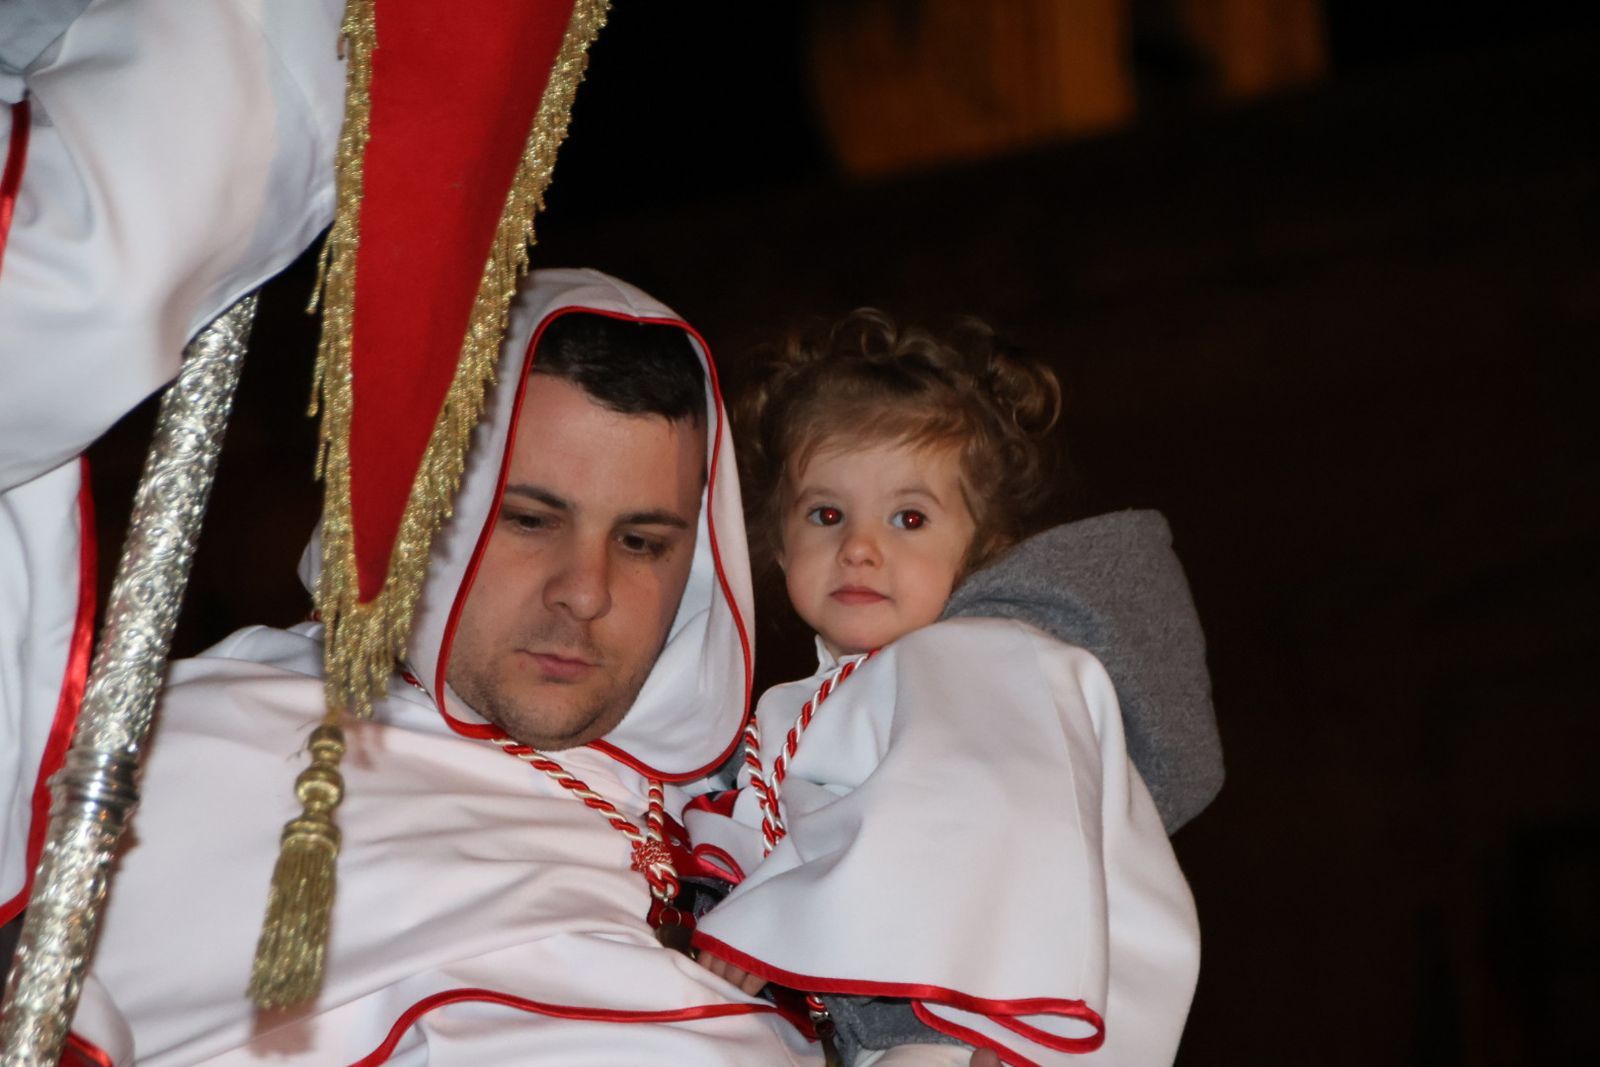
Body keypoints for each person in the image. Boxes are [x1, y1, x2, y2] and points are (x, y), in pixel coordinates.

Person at [59, 269, 827, 1065]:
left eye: (640, 543)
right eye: (529, 520)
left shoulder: (777, 797)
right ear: (417, 511)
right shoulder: (178, 757)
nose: (585, 593)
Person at [684, 311, 1207, 1066]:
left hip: (972, 1025)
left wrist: (766, 922)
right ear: (776, 538)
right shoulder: (797, 706)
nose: (860, 547)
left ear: (981, 548)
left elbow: (988, 831)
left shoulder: (983, 666)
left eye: (909, 517)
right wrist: (737, 913)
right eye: (826, 514)